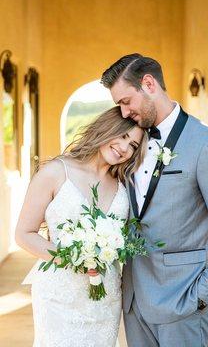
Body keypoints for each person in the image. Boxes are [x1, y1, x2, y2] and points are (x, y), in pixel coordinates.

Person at [101, 53, 208, 347]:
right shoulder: (130, 143)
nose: (123, 112)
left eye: (125, 101)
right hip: (133, 304)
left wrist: (202, 298)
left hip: (183, 305)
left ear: (148, 84)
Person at [15, 106, 147, 347]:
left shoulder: (124, 184)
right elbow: (24, 234)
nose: (125, 148)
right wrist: (71, 258)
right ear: (107, 128)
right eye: (123, 136)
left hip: (105, 297)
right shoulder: (55, 171)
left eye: (134, 146)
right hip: (59, 296)